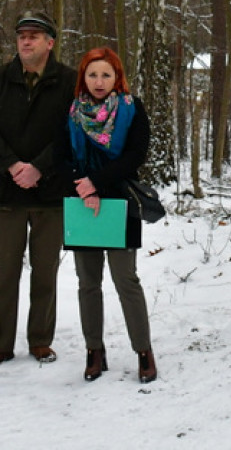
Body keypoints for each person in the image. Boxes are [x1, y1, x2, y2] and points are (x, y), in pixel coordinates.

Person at [0, 11, 76, 370]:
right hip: (7, 191)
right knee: (4, 272)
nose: (26, 41)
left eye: (34, 35)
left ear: (50, 42)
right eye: (21, 36)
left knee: (45, 271)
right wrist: (14, 165)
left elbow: (73, 132)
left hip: (50, 193)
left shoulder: (70, 82)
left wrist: (40, 168)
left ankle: (40, 341)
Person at [61, 47, 157, 383]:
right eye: (92, 74)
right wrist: (81, 186)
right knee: (88, 283)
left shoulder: (131, 109)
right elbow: (61, 153)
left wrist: (96, 182)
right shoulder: (72, 111)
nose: (99, 82)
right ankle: (94, 351)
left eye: (106, 75)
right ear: (83, 78)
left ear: (117, 77)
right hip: (80, 202)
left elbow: (136, 154)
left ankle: (143, 351)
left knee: (125, 280)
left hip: (120, 201)